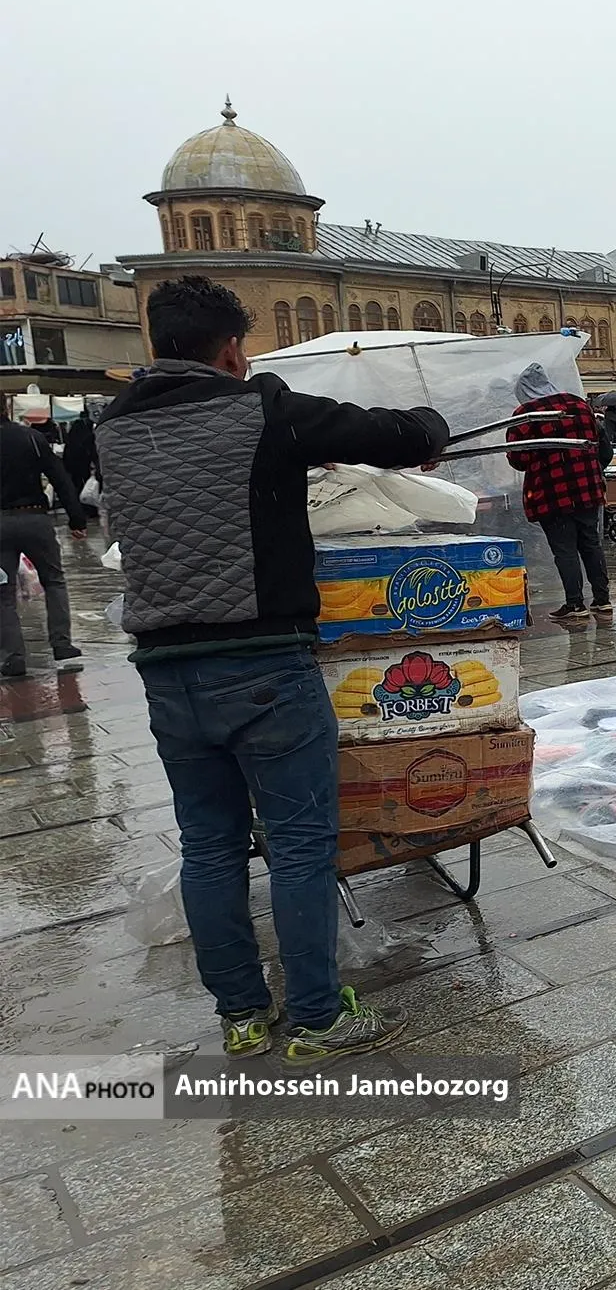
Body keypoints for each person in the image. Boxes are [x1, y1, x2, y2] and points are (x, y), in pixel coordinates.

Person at [96, 274, 446, 1065]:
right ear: (231, 350)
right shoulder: (262, 407)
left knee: (209, 846)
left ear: (156, 342)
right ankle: (316, 1019)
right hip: (263, 665)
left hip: (166, 671)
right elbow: (395, 435)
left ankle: (243, 1018)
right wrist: (431, 427)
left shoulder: (111, 425)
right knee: (298, 845)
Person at [508, 364, 614, 621]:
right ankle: (602, 600)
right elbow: (599, 443)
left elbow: (518, 459)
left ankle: (575, 604)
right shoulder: (579, 405)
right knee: (591, 544)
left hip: (551, 493)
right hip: (587, 489)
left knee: (565, 550)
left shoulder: (525, 415)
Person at [1, 394, 88, 678]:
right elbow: (59, 477)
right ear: (6, 407)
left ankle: (14, 658)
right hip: (35, 518)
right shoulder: (31, 438)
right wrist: (76, 518)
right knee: (54, 581)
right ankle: (62, 645)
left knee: (3, 594)